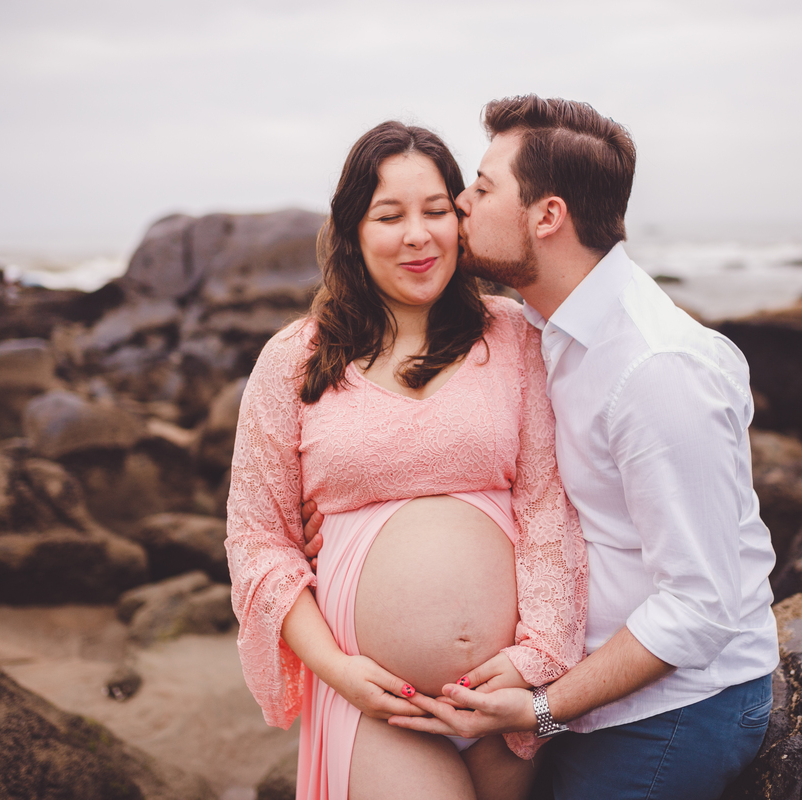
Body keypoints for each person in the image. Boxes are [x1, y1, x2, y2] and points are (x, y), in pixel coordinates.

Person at [369, 96, 781, 800]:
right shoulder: (541, 327)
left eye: (483, 187)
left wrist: (542, 708)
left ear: (547, 216)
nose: (459, 204)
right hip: (585, 694)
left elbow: (701, 607)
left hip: (675, 709)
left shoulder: (656, 372)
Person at [225, 120, 588, 800]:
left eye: (435, 211)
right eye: (389, 215)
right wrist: (335, 668)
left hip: (505, 698)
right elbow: (258, 542)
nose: (418, 235)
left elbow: (548, 507)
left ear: (462, 219)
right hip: (376, 702)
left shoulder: (511, 335)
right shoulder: (292, 361)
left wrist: (532, 659)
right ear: (353, 232)